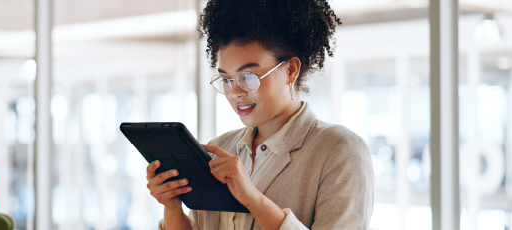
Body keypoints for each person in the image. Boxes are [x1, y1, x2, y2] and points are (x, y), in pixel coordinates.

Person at [145, 0, 374, 229]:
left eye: (249, 76)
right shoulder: (219, 150)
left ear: (290, 70)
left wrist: (253, 200)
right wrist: (173, 207)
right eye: (226, 79)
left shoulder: (339, 150)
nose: (235, 92)